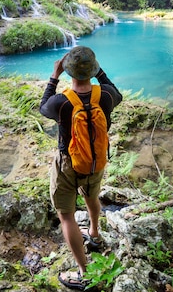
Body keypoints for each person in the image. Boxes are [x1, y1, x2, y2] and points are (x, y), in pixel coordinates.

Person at [39, 46, 122, 290]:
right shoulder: (105, 95)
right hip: (96, 161)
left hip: (68, 163)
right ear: (94, 70)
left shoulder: (61, 102)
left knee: (66, 215)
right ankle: (94, 235)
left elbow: (43, 106)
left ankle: (85, 273)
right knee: (92, 195)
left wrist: (54, 76)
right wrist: (99, 72)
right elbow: (117, 91)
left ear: (68, 71)